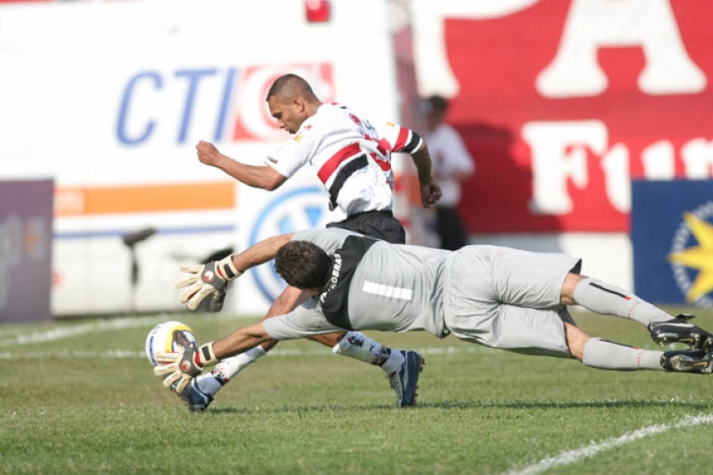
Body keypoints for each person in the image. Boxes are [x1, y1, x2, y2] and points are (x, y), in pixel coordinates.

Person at [156, 227, 713, 404]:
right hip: (468, 269)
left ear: (294, 286)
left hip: (458, 317)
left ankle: (665, 363)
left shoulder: (320, 313)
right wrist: (223, 268)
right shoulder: (340, 241)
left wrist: (199, 356)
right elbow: (281, 239)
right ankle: (662, 319)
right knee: (568, 286)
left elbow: (254, 330)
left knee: (572, 343)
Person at [181, 74, 442, 410]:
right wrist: (426, 181)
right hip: (372, 228)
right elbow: (417, 143)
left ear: (299, 104)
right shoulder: (359, 119)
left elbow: (269, 179)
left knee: (287, 302)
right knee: (299, 317)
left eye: (279, 115)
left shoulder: (315, 126)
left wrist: (219, 160)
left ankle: (207, 375)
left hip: (362, 232)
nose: (279, 123)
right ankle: (396, 363)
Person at [421, 95, 474, 250]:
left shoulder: (447, 136)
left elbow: (466, 170)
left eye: (438, 116)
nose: (434, 121)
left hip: (444, 208)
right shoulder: (414, 134)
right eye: (431, 116)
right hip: (422, 209)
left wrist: (444, 174)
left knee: (458, 250)